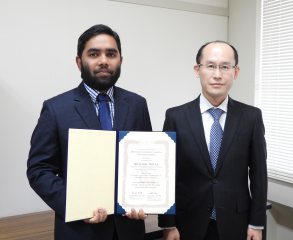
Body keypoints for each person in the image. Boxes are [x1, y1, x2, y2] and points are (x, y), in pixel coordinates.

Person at [27, 24, 152, 240]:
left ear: (120, 60)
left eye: (111, 54)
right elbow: (39, 170)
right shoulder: (56, 109)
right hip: (79, 231)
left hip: (129, 229)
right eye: (94, 54)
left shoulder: (137, 104)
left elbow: (146, 161)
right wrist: (75, 205)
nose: (103, 60)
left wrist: (146, 198)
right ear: (79, 62)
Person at [158, 41, 267, 240]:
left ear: (236, 72)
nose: (217, 74)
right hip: (187, 223)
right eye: (210, 66)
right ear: (197, 70)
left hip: (237, 223)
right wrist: (168, 224)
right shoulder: (176, 117)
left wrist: (257, 224)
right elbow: (167, 176)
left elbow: (259, 174)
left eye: (225, 67)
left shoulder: (251, 117)